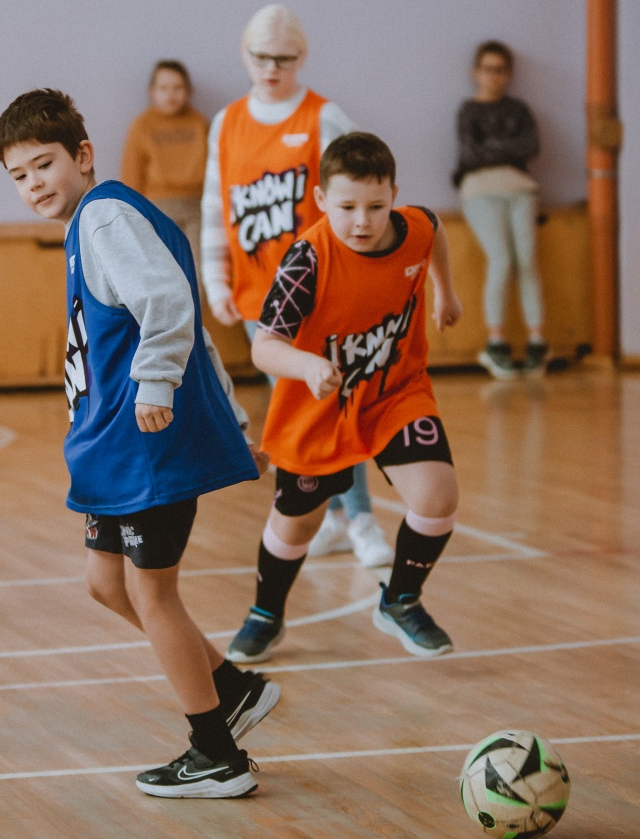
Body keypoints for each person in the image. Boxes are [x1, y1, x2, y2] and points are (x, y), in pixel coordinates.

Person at [0, 88, 277, 798]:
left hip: (145, 445)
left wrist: (155, 387)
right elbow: (195, 334)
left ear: (83, 155)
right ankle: (231, 689)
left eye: (44, 164)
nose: (33, 184)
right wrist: (233, 418)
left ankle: (217, 753)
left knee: (152, 594)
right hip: (111, 450)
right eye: (19, 175)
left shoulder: (107, 216)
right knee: (106, 584)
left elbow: (171, 307)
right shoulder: (88, 224)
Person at [228, 132, 462, 664]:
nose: (362, 221)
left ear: (394, 196)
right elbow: (265, 347)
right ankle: (265, 614)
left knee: (437, 497)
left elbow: (435, 228)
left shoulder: (414, 229)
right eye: (347, 207)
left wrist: (445, 292)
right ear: (321, 200)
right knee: (297, 525)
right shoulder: (307, 261)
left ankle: (400, 601)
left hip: (393, 391)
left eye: (376, 207)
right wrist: (308, 365)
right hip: (319, 407)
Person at [201, 3, 393, 587]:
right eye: (262, 57)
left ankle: (361, 519)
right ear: (245, 55)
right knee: (297, 409)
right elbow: (215, 202)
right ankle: (332, 516)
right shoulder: (227, 122)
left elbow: (359, 197)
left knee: (334, 401)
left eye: (284, 59)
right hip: (259, 296)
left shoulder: (323, 116)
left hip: (320, 291)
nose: (272, 69)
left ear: (302, 57)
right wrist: (215, 278)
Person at [453, 40, 547, 378]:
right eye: (488, 69)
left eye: (501, 70)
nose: (494, 76)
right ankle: (496, 341)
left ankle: (537, 340)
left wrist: (490, 148)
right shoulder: (468, 111)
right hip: (480, 192)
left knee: (527, 260)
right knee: (501, 259)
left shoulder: (519, 110)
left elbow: (531, 146)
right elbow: (469, 154)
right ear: (476, 72)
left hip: (520, 190)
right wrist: (507, 149)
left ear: (509, 74)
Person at [119, 60, 208, 271]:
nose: (171, 95)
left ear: (188, 91)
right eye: (163, 88)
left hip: (197, 207)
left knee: (198, 269)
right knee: (164, 269)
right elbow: (132, 175)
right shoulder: (142, 125)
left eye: (177, 88)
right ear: (152, 92)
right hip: (157, 207)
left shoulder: (199, 123)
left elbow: (214, 170)